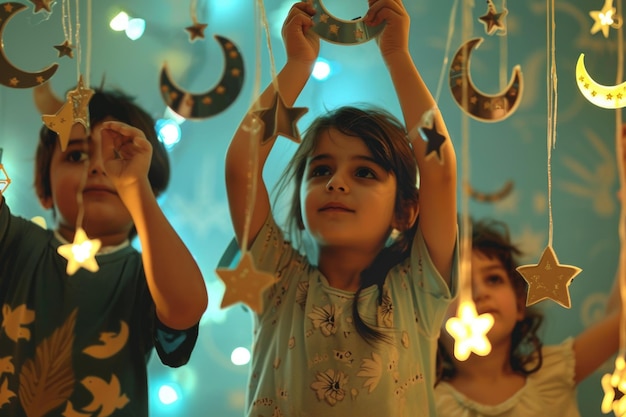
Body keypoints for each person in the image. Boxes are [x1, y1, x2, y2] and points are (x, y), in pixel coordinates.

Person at [224, 1, 458, 415]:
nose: (335, 182)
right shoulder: (277, 280)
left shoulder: (416, 290)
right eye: (321, 170)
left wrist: (397, 56)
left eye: (365, 173)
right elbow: (242, 164)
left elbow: (438, 169)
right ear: (300, 204)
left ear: (406, 211)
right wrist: (298, 64)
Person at [0, 87, 208, 416]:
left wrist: (133, 186)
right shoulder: (15, 243)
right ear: (44, 189)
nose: (99, 168)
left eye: (120, 158)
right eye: (76, 156)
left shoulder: (148, 277)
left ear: (150, 192)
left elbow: (187, 307)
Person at [435, 218, 620, 417]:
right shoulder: (426, 397)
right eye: (458, 286)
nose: (479, 293)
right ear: (430, 315)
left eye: (493, 279)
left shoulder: (552, 372)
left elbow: (619, 317)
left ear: (520, 305)